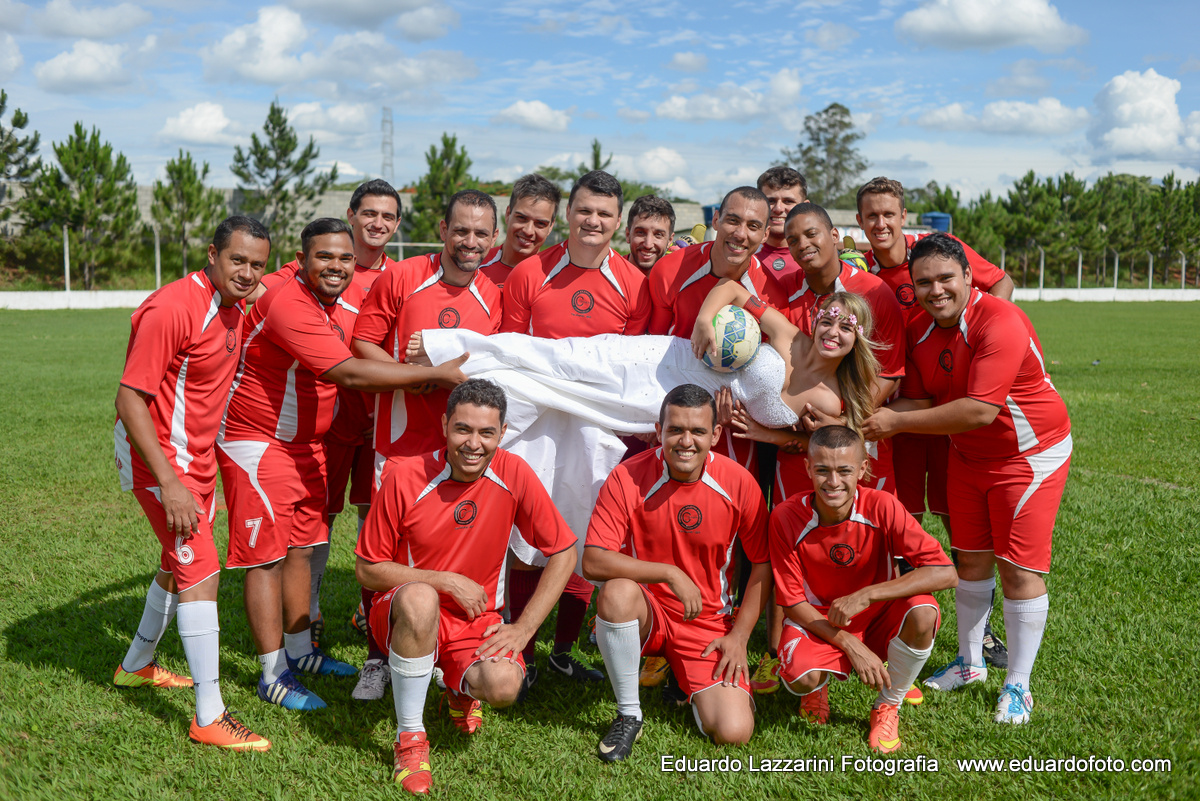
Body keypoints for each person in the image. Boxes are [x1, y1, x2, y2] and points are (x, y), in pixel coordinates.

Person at [218, 218, 468, 712]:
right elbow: (348, 372)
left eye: (344, 258)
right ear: (303, 260)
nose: (336, 266)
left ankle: (301, 652)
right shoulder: (286, 299)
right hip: (260, 442)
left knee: (304, 548)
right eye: (324, 257)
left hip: (305, 446)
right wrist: (435, 374)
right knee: (266, 558)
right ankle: (272, 673)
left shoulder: (325, 301)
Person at [862, 233, 1072, 724]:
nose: (936, 290)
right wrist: (863, 413)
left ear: (968, 277)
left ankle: (1018, 683)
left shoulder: (1000, 319)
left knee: (1018, 569)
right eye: (924, 282)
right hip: (969, 454)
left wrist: (895, 423)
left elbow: (979, 410)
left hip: (1029, 455)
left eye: (945, 279)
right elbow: (917, 400)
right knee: (970, 560)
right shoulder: (920, 326)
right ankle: (971, 663)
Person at [355, 379, 577, 794]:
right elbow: (368, 569)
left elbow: (564, 552)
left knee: (505, 686)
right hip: (403, 612)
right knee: (422, 597)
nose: (473, 443)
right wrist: (444, 581)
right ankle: (410, 738)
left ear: (502, 433)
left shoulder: (513, 473)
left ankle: (459, 691)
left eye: (486, 433)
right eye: (463, 429)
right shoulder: (405, 476)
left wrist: (524, 628)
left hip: (474, 619)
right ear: (444, 425)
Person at [112, 216, 272, 750]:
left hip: (194, 460)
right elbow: (130, 399)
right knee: (200, 571)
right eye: (238, 261)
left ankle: (136, 664)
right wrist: (170, 482)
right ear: (211, 254)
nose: (248, 273)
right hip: (161, 462)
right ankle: (210, 715)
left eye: (257, 264)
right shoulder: (174, 307)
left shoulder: (232, 304)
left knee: (174, 562)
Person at [350, 189, 504, 701]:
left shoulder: (494, 294)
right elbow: (363, 343)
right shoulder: (403, 276)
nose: (470, 241)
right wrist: (411, 372)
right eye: (461, 230)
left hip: (463, 448)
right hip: (401, 440)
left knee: (448, 543)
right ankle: (377, 657)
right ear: (442, 229)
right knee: (383, 546)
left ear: (494, 238)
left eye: (482, 233)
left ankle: (432, 645)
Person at [499, 170, 651, 688]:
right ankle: (522, 647)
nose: (593, 221)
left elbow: (631, 366)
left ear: (617, 222)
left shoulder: (633, 282)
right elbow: (511, 352)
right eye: (585, 210)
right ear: (568, 213)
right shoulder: (529, 274)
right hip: (535, 422)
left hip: (596, 427)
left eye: (605, 214)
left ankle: (563, 649)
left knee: (587, 531)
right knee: (526, 534)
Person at [857, 175, 1012, 669]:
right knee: (903, 521)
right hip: (896, 415)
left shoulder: (936, 253)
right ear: (860, 223)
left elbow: (1000, 282)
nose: (881, 223)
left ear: (904, 216)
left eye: (889, 214)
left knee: (958, 522)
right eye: (871, 216)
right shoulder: (857, 271)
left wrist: (985, 349)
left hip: (946, 413)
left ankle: (982, 636)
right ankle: (904, 618)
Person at [583, 384, 770, 761]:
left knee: (734, 732)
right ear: (659, 430)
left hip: (706, 621)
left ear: (715, 435)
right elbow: (593, 561)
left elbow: (763, 564)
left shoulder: (738, 483)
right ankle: (629, 713)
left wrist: (740, 637)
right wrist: (668, 573)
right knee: (616, 592)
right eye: (675, 430)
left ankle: (684, 676)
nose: (686, 441)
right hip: (647, 610)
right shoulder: (627, 477)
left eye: (698, 431)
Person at [770, 425, 957, 752]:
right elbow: (791, 603)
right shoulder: (785, 517)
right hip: (819, 620)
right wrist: (852, 647)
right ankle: (819, 683)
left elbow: (945, 573)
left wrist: (869, 594)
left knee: (923, 611)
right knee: (798, 676)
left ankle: (889, 703)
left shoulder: (882, 506)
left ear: (862, 469)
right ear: (807, 468)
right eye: (822, 470)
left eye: (844, 470)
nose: (833, 482)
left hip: (875, 616)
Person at [315, 179, 404, 654]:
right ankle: (308, 610)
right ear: (350, 214)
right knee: (319, 517)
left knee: (379, 516)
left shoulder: (401, 277)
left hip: (383, 421)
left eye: (388, 217)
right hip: (328, 418)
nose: (378, 224)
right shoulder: (327, 267)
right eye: (370, 213)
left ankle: (371, 609)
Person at [479, 173, 561, 290]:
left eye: (540, 224)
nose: (528, 231)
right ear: (508, 214)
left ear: (551, 227)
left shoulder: (555, 280)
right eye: (522, 218)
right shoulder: (476, 265)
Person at [755, 166, 808, 287]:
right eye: (771, 201)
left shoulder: (821, 256)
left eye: (788, 201)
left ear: (805, 207)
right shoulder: (740, 254)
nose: (778, 209)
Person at [624, 194, 676, 275]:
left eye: (658, 234)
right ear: (628, 235)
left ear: (670, 240)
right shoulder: (608, 275)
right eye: (640, 232)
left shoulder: (678, 281)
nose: (648, 245)